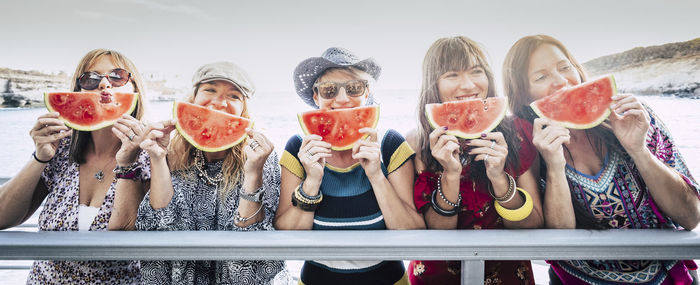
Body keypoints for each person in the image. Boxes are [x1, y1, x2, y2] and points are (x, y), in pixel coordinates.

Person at [503, 34, 700, 285]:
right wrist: (554, 164)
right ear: (524, 95)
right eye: (541, 77)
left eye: (565, 67)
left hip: (664, 276)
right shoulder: (526, 143)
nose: (561, 82)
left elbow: (691, 216)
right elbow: (560, 239)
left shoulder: (633, 116)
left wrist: (639, 150)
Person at [109, 61, 289, 284]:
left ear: (244, 109)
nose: (220, 102)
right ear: (192, 99)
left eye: (234, 96)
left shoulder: (261, 157)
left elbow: (250, 256)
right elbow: (165, 228)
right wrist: (157, 158)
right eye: (210, 90)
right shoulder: (171, 152)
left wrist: (253, 174)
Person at [274, 47, 424, 284]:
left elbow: (412, 233)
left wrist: (376, 175)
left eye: (354, 88)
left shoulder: (390, 144)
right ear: (316, 97)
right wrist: (312, 182)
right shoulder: (298, 149)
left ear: (367, 93)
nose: (342, 99)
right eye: (329, 90)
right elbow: (288, 235)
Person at [0, 49, 150, 284]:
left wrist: (129, 162)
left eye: (117, 76)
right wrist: (41, 157)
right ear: (78, 92)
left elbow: (125, 236)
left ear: (135, 90)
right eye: (90, 79)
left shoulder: (152, 155)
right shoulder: (62, 150)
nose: (104, 85)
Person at [404, 36, 544, 284]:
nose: (467, 85)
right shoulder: (417, 142)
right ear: (433, 84)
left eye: (476, 72)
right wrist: (450, 175)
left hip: (509, 276)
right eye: (452, 75)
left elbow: (532, 224)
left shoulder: (519, 132)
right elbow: (437, 233)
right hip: (438, 278)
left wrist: (500, 178)